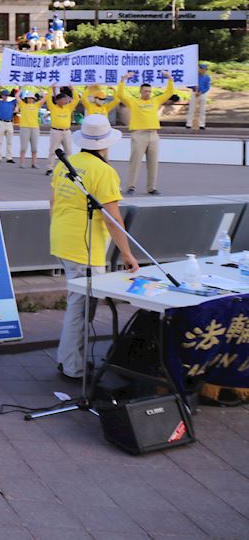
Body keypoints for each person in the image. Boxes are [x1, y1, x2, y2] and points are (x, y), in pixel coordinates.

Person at [50, 114, 139, 382]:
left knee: (78, 304)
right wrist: (127, 254)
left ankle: (68, 359)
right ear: (106, 143)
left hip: (62, 238)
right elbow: (113, 218)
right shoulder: (104, 172)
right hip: (84, 247)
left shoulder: (67, 163)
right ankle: (72, 366)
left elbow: (52, 203)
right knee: (81, 308)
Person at [118, 71, 175, 195]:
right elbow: (121, 95)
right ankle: (131, 186)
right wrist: (123, 80)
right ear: (141, 92)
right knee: (135, 161)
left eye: (149, 91)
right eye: (145, 91)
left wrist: (169, 78)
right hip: (139, 134)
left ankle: (151, 187)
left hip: (153, 134)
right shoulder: (133, 102)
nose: (148, 93)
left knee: (153, 162)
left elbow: (169, 93)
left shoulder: (155, 101)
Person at [45, 86, 80, 176]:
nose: (64, 101)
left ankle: (69, 169)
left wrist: (72, 89)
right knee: (53, 150)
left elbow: (76, 99)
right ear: (57, 101)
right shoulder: (53, 107)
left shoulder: (68, 107)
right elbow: (48, 99)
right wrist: (51, 88)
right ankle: (50, 168)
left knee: (68, 151)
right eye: (62, 99)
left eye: (65, 99)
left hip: (66, 132)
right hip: (55, 131)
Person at [0, 83, 18, 164]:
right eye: (4, 95)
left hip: (9, 123)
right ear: (1, 96)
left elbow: (18, 97)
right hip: (1, 122)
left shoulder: (11, 103)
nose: (5, 96)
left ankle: (9, 157)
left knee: (9, 141)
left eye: (6, 95)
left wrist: (20, 86)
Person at [16, 89, 43, 169]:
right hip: (24, 127)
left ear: (34, 99)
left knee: (34, 147)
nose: (30, 99)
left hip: (35, 128)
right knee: (23, 147)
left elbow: (45, 97)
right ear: (26, 99)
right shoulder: (22, 105)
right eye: (28, 98)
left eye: (31, 98)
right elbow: (16, 96)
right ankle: (22, 162)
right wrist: (22, 87)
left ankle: (34, 163)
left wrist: (39, 88)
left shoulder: (37, 105)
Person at [187, 63, 211, 130]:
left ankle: (201, 124)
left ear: (206, 70)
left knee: (202, 109)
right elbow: (188, 84)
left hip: (202, 94)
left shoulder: (207, 77)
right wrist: (194, 87)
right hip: (194, 93)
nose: (201, 70)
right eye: (200, 69)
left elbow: (207, 87)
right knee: (191, 108)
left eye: (203, 69)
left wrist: (201, 92)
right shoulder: (194, 76)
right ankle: (189, 123)